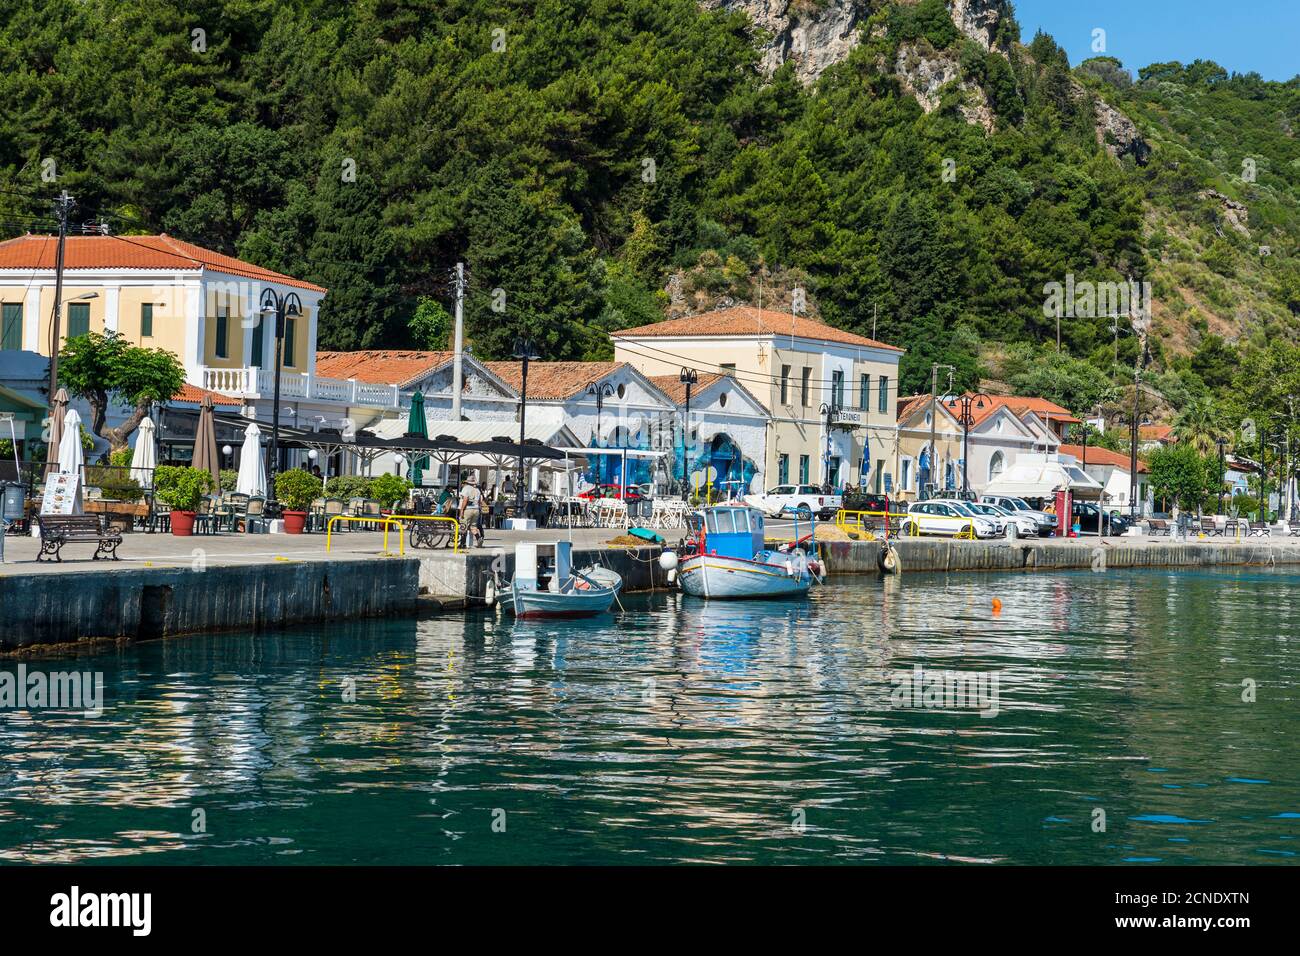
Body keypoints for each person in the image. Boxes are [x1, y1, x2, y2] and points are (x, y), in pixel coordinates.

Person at [458, 474, 485, 547]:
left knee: (464, 526)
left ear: (467, 482)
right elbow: (480, 502)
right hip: (476, 510)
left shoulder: (466, 488)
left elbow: (465, 500)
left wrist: (461, 510)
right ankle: (478, 538)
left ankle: (462, 544)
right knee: (473, 527)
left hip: (468, 509)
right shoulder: (477, 490)